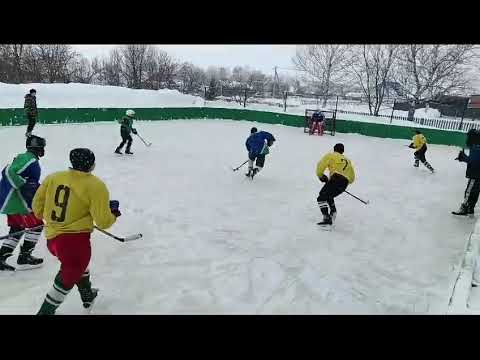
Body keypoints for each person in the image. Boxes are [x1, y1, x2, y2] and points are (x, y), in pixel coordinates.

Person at [33, 148, 121, 315]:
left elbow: (37, 209)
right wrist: (113, 213)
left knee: (77, 265)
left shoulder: (53, 177)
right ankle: (45, 312)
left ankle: (87, 296)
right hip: (75, 242)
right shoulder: (95, 185)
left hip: (52, 238)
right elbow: (103, 221)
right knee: (71, 271)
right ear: (92, 164)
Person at [0, 135, 46, 271]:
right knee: (37, 225)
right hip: (18, 200)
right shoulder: (29, 159)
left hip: (14, 200)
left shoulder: (27, 158)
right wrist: (23, 184)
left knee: (17, 228)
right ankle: (25, 256)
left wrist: (34, 187)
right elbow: (8, 171)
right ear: (38, 148)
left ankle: (1, 257)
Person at [316, 143, 355, 226]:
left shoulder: (331, 155)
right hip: (345, 183)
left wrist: (321, 176)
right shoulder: (348, 160)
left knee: (321, 197)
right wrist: (344, 183)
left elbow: (320, 165)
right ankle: (333, 212)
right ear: (342, 151)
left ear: (334, 149)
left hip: (336, 178)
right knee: (328, 195)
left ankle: (327, 219)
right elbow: (352, 178)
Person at [453, 129, 480, 216]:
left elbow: (474, 161)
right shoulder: (477, 145)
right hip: (477, 173)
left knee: (469, 191)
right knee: (475, 192)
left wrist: (463, 157)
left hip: (476, 174)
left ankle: (464, 208)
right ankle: (470, 209)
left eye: (468, 136)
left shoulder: (476, 146)